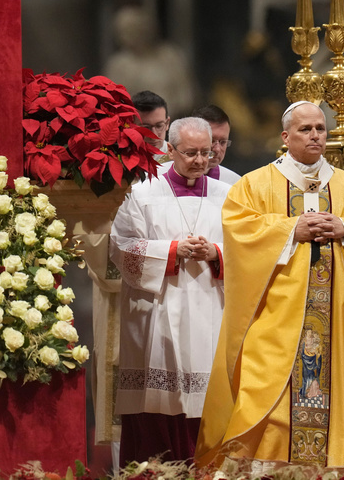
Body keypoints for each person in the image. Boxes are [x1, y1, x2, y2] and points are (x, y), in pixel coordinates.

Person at [195, 101, 344, 468]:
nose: (315, 135)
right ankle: (265, 473)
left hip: (334, 323)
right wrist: (291, 230)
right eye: (305, 129)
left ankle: (330, 472)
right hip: (274, 322)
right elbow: (239, 233)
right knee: (266, 398)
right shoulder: (255, 185)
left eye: (320, 128)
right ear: (285, 137)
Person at [110, 117, 231, 465]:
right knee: (159, 407)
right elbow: (121, 248)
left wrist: (217, 253)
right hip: (159, 311)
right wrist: (170, 251)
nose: (199, 160)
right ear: (170, 149)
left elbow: (250, 248)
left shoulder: (230, 195)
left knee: (210, 402)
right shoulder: (143, 192)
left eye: (206, 153)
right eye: (190, 152)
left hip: (212, 309)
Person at [104, 6, 197, 117]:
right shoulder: (118, 65)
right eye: (123, 32)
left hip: (172, 121)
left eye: (133, 30)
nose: (127, 36)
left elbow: (187, 97)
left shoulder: (170, 56)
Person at [160, 104, 240, 185]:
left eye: (223, 142)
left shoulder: (235, 183)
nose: (217, 149)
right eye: (211, 141)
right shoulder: (157, 177)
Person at [131, 90, 169, 159]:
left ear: (167, 124)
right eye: (146, 128)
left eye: (159, 126)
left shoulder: (178, 159)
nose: (154, 136)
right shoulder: (118, 158)